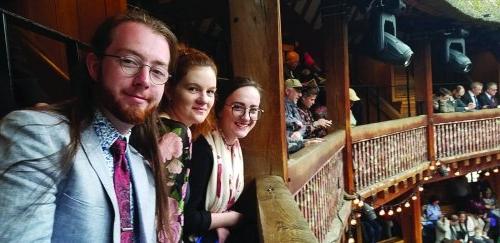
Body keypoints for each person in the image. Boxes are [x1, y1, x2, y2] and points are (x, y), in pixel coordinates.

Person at [0, 9, 177, 242]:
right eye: (129, 61)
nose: (144, 80)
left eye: (157, 71)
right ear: (95, 66)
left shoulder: (140, 166)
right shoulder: (37, 134)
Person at [132, 47, 217, 242]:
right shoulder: (175, 133)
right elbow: (168, 219)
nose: (204, 99)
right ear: (170, 89)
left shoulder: (155, 123)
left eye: (210, 92)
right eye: (193, 89)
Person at [184, 77, 263, 242]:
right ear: (219, 109)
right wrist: (233, 219)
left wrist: (219, 224)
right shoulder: (202, 149)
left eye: (253, 110)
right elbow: (186, 219)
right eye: (238, 107)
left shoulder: (234, 146)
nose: (247, 117)